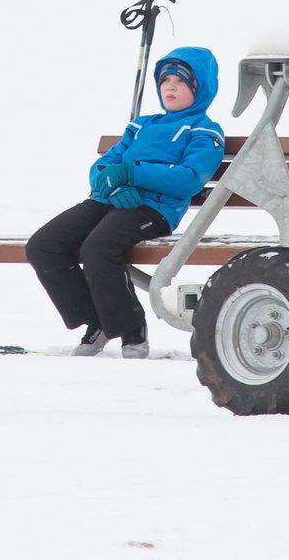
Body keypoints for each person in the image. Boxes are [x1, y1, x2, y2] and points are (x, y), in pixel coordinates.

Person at [25, 46, 224, 359]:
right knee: (44, 245)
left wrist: (132, 173)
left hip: (154, 209)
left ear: (200, 88)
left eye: (181, 81)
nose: (170, 87)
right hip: (113, 201)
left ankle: (131, 330)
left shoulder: (205, 130)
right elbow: (103, 166)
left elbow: (189, 178)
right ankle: (96, 321)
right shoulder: (142, 125)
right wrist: (112, 185)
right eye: (165, 80)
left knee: (98, 247)